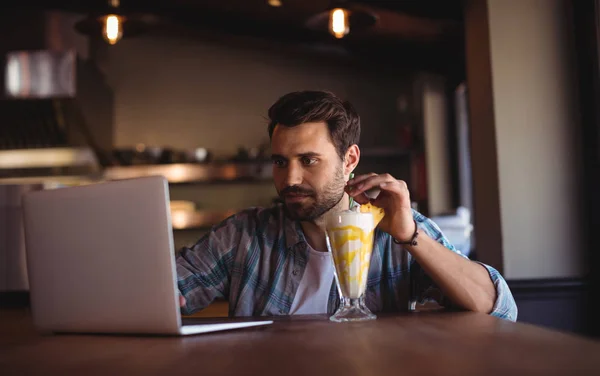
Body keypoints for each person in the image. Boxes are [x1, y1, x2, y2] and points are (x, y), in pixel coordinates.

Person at [176, 91, 517, 321]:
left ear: (349, 159)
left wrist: (410, 236)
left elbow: (499, 309)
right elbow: (175, 288)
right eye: (280, 162)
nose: (290, 178)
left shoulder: (395, 230)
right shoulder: (244, 235)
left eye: (308, 160)